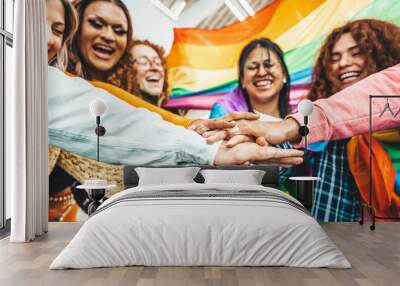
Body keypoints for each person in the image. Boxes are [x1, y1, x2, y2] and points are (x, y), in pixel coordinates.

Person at [209, 38, 290, 121]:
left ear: (284, 74)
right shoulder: (223, 113)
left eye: (269, 65)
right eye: (252, 67)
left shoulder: (299, 115)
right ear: (242, 79)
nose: (261, 73)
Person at [67, 0, 135, 93]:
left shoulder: (133, 92)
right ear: (76, 26)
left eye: (119, 31)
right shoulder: (53, 79)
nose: (109, 36)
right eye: (96, 24)